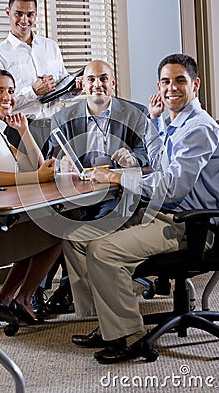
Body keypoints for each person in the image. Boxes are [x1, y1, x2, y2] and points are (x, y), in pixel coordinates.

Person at [63, 53, 219, 364]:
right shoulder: (175, 123)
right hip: (160, 214)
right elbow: (157, 165)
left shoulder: (198, 128)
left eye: (180, 80)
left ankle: (129, 337)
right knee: (75, 238)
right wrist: (154, 121)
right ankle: (107, 322)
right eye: (165, 81)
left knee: (102, 251)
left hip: (189, 225)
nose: (171, 88)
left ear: (195, 84)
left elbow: (171, 187)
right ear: (158, 85)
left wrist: (115, 176)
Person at [31, 59, 151, 317]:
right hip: (77, 190)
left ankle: (99, 302)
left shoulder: (136, 113)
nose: (98, 84)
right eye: (92, 79)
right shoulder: (63, 117)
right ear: (83, 84)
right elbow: (51, 153)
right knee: (49, 223)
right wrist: (62, 162)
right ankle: (59, 299)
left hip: (117, 193)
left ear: (113, 82)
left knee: (91, 230)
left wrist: (134, 158)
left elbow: (147, 150)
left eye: (104, 79)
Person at [0, 69, 62, 325]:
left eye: (10, 91)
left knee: (52, 227)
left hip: (0, 213)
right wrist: (37, 177)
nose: (7, 96)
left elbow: (40, 167)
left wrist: (25, 130)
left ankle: (7, 299)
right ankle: (24, 298)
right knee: (57, 229)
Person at [0, 0, 80, 153]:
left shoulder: (51, 47)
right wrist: (33, 91)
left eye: (29, 14)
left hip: (54, 127)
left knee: (58, 177)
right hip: (18, 130)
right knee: (26, 178)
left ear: (36, 14)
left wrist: (73, 89)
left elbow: (61, 87)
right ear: (8, 12)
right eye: (18, 14)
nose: (24, 20)